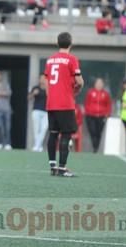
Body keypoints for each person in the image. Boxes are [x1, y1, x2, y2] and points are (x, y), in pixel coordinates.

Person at [44, 32, 84, 177]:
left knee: (53, 134)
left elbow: (46, 81)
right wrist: (78, 88)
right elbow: (79, 81)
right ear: (70, 44)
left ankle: (53, 167)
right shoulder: (71, 59)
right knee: (66, 134)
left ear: (57, 43)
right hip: (65, 103)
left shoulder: (50, 60)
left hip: (51, 103)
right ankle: (62, 168)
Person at [84, 78, 112, 153]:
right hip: (91, 115)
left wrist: (107, 114)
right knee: (92, 131)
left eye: (100, 83)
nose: (99, 85)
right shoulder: (90, 92)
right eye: (98, 83)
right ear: (95, 84)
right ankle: (94, 145)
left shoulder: (105, 94)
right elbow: (86, 103)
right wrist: (87, 112)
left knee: (98, 132)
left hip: (101, 116)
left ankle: (96, 147)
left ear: (102, 85)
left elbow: (108, 105)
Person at [29, 74, 48, 152]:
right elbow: (29, 97)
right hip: (36, 110)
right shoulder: (35, 88)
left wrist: (47, 89)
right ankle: (38, 146)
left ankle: (37, 145)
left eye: (44, 78)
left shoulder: (49, 89)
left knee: (43, 129)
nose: (43, 80)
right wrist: (33, 94)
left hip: (46, 111)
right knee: (36, 129)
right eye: (41, 78)